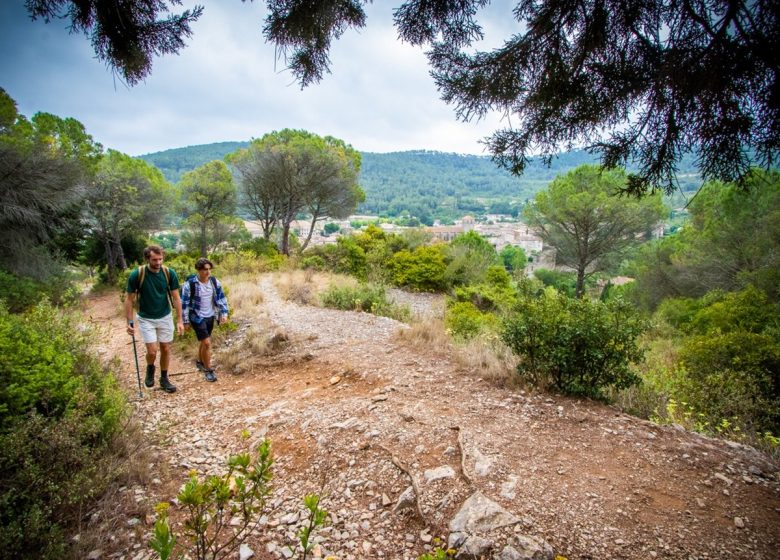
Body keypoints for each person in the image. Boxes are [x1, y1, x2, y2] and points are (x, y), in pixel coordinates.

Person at [125, 245, 184, 393]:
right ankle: (150, 368)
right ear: (147, 259)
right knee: (152, 351)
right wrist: (129, 322)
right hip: (146, 318)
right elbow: (129, 300)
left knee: (165, 348)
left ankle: (164, 378)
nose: (158, 263)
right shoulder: (137, 274)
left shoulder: (168, 273)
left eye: (160, 259)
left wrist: (180, 320)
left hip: (165, 315)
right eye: (154, 260)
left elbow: (176, 298)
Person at [181, 257, 230, 382]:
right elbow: (184, 304)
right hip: (197, 316)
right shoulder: (190, 285)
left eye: (209, 269)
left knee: (204, 342)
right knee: (207, 343)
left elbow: (221, 298)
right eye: (204, 270)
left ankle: (200, 361)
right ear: (198, 270)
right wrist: (185, 321)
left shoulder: (214, 282)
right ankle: (208, 370)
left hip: (211, 315)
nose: (207, 272)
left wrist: (224, 313)